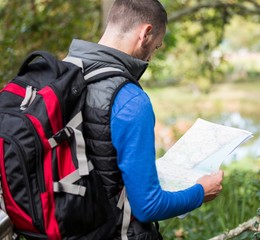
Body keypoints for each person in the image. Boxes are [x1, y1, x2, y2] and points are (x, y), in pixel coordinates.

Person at [65, 0, 224, 239]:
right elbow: (149, 207)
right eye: (157, 47)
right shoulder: (130, 100)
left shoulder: (62, 74)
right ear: (145, 33)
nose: (150, 57)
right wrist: (201, 191)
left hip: (64, 225)